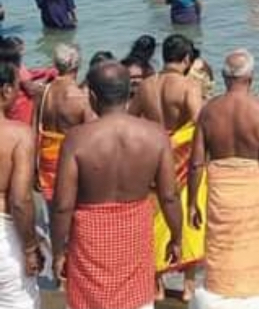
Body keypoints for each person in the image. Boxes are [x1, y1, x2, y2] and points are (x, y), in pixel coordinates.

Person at [51, 62, 183, 309]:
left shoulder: (77, 139)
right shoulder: (155, 135)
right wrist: (177, 237)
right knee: (136, 301)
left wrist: (58, 251)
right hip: (135, 235)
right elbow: (169, 196)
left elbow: (62, 206)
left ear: (92, 96)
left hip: (90, 239)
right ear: (129, 92)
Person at [188, 49, 259, 309]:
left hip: (220, 191)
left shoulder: (209, 111)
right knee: (252, 244)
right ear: (251, 77)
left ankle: (219, 295)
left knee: (219, 244)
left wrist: (191, 202)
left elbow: (196, 162)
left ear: (224, 77)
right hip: (252, 190)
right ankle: (252, 298)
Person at [130, 33, 206, 300]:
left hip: (153, 154)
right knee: (188, 213)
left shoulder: (145, 86)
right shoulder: (188, 86)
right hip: (182, 158)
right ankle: (188, 285)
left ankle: (157, 284)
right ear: (186, 59)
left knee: (155, 216)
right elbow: (199, 122)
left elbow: (130, 119)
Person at [0, 61, 40, 309]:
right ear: (5, 90)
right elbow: (20, 201)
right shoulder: (18, 134)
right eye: (17, 87)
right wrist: (30, 248)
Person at [35, 44, 93, 207]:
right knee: (70, 208)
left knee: (50, 208)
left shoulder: (43, 92)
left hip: (45, 161)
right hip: (68, 161)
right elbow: (92, 140)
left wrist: (33, 169)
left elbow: (34, 130)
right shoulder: (80, 98)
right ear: (78, 65)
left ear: (55, 63)